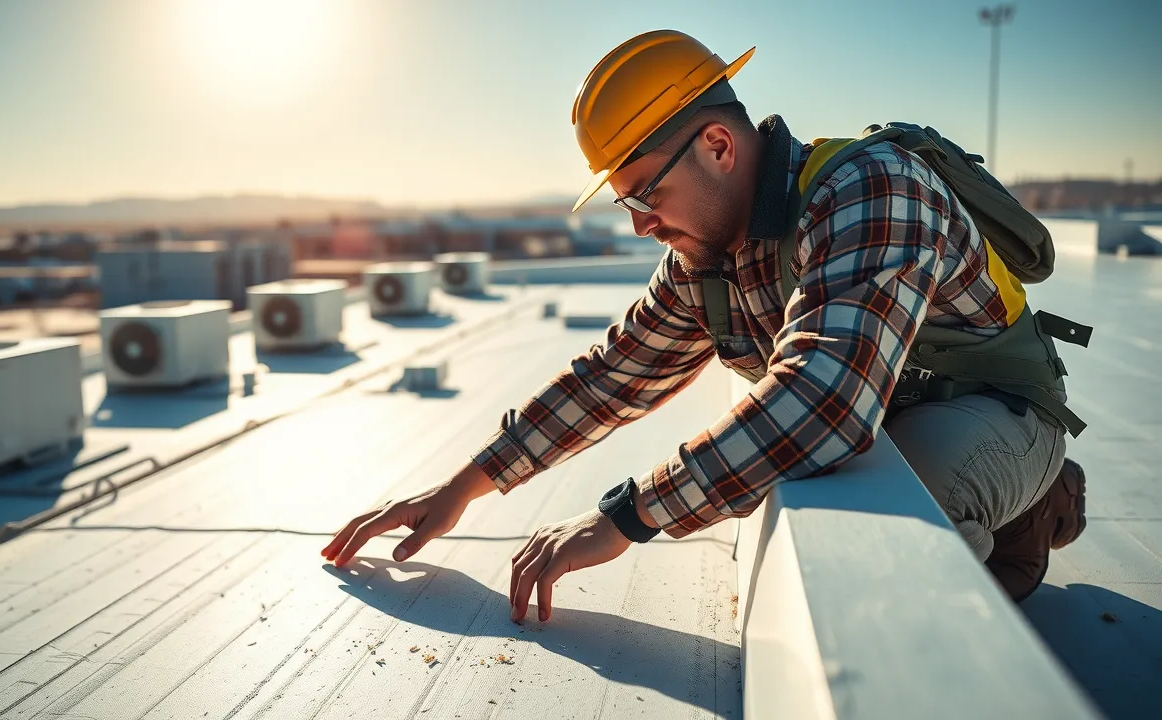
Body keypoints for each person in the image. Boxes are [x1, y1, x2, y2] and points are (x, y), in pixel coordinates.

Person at [321, 30, 1088, 620]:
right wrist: (463, 487)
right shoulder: (709, 259)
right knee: (834, 481)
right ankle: (1024, 511)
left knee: (892, 546)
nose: (640, 226)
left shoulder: (871, 188)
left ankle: (1033, 499)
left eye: (644, 195)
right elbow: (612, 376)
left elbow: (824, 402)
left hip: (990, 408)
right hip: (883, 418)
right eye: (627, 205)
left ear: (718, 146)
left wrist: (626, 516)